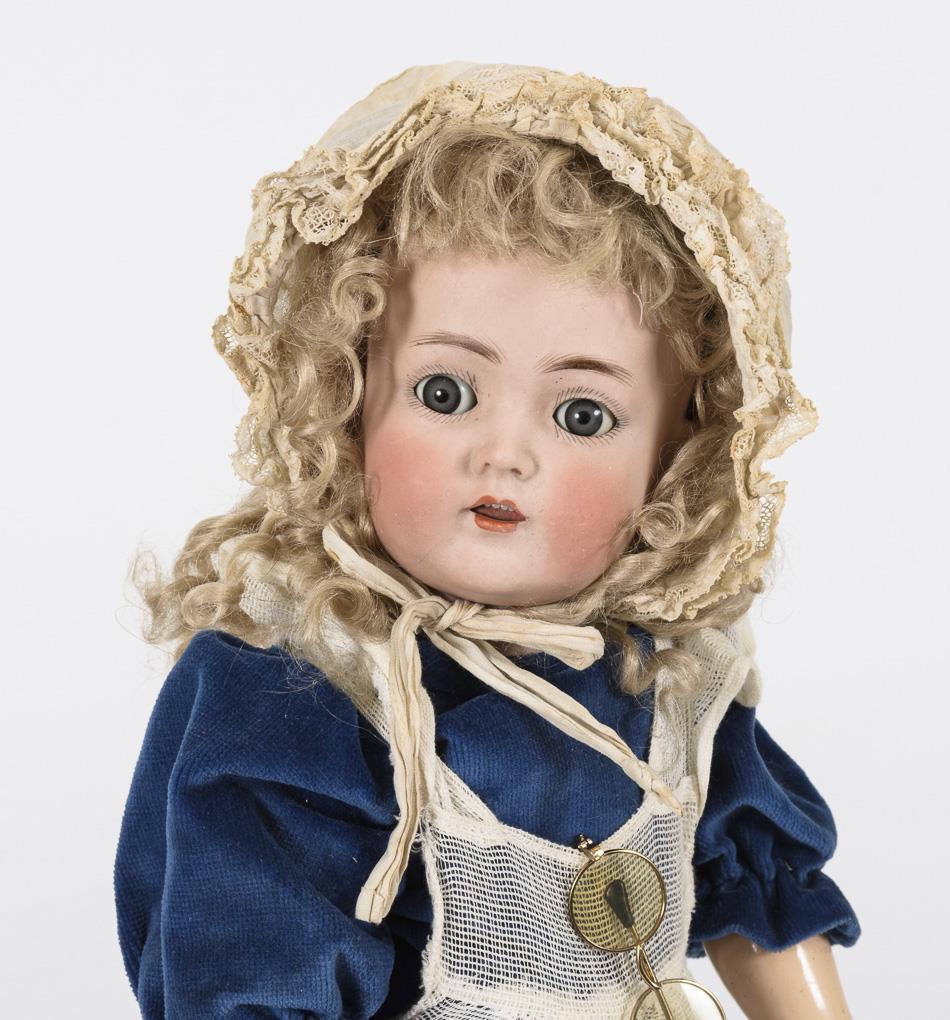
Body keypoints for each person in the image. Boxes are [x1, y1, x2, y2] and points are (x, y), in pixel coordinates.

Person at [114, 62, 861, 1018]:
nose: (504, 453)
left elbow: (760, 894)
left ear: (678, 456)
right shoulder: (298, 692)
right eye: (446, 393)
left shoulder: (663, 679)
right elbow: (250, 971)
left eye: (583, 415)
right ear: (346, 396)